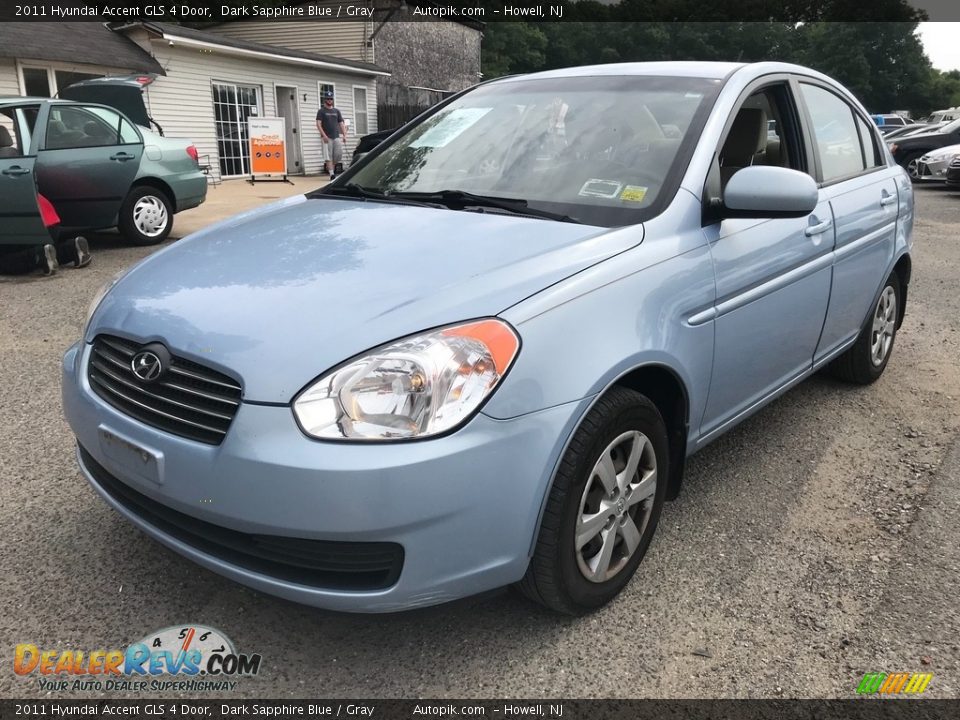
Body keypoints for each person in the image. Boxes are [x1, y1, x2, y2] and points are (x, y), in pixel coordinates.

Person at [0, 194, 91, 276]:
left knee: (5, 261)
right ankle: (72, 249)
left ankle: (38, 256)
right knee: (48, 250)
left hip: (29, 225)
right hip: (51, 223)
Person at [316, 90, 347, 180]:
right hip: (327, 137)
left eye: (331, 99)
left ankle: (331, 168)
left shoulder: (336, 111)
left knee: (337, 155)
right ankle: (332, 174)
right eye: (328, 99)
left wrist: (344, 135)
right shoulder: (321, 111)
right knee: (328, 156)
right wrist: (324, 135)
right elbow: (318, 124)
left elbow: (341, 123)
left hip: (336, 136)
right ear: (325, 100)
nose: (329, 100)